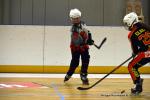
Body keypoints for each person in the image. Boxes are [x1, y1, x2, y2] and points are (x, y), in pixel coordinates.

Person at [64, 8, 94, 85]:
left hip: (84, 46)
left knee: (86, 59)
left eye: (77, 18)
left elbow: (88, 32)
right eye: (74, 19)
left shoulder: (83, 24)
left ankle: (83, 75)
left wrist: (89, 39)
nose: (76, 20)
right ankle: (69, 74)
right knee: (75, 62)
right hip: (75, 47)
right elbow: (76, 41)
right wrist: (86, 41)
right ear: (71, 19)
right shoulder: (73, 29)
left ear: (79, 17)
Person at [123, 12, 150, 94]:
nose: (127, 26)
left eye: (127, 24)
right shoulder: (145, 26)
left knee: (131, 66)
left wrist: (135, 53)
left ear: (132, 22)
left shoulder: (131, 35)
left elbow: (135, 50)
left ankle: (138, 84)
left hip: (146, 53)